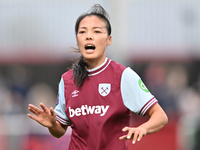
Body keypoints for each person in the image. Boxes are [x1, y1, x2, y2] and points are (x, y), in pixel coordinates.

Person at [28, 4, 168, 150]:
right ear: (77, 40)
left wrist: (143, 129)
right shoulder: (67, 80)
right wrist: (52, 125)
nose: (89, 36)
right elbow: (60, 131)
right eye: (83, 32)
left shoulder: (123, 76)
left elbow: (160, 116)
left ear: (109, 40)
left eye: (96, 31)